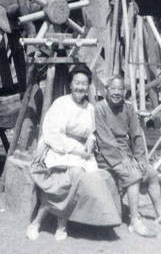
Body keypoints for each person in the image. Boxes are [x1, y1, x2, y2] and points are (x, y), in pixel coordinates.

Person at [26, 64, 121, 241]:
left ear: (88, 87)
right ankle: (40, 222)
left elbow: (91, 132)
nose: (80, 87)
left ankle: (63, 223)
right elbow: (52, 134)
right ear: (70, 85)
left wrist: (91, 142)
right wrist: (76, 149)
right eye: (77, 82)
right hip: (59, 149)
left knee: (89, 179)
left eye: (84, 84)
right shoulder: (61, 104)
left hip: (82, 154)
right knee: (72, 176)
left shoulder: (90, 108)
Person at [95, 75, 161, 237]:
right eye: (113, 89)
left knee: (151, 173)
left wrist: (140, 157)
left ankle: (160, 215)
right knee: (133, 176)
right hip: (107, 155)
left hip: (126, 154)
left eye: (120, 89)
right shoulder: (100, 108)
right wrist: (122, 158)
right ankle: (134, 221)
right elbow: (105, 139)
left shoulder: (128, 107)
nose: (117, 93)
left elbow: (137, 134)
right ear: (107, 90)